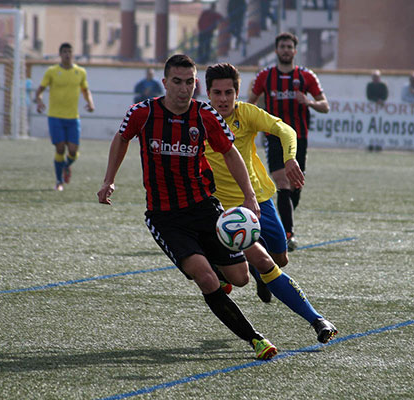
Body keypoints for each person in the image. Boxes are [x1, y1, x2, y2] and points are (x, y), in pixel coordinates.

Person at [98, 54, 278, 360]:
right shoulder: (144, 112)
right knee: (206, 279)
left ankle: (218, 270)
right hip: (166, 217)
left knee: (240, 278)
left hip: (205, 208)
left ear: (196, 84)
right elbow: (122, 137)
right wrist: (108, 180)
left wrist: (249, 195)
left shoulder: (205, 116)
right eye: (177, 82)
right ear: (165, 82)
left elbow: (231, 153)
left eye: (190, 82)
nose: (184, 89)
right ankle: (256, 339)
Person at [203, 62, 338, 343]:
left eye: (229, 92)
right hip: (221, 210)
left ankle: (256, 271)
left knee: (281, 257)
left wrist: (290, 157)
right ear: (208, 93)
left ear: (238, 93)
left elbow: (285, 129)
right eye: (217, 93)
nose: (223, 99)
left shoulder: (246, 114)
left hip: (258, 200)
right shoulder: (198, 120)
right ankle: (317, 320)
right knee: (262, 263)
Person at [248, 31, 330, 251]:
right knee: (282, 184)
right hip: (274, 138)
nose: (285, 50)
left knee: (294, 187)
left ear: (295, 51)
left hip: (298, 138)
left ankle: (283, 222)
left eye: (289, 47)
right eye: (282, 46)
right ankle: (287, 235)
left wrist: (309, 102)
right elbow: (250, 103)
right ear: (276, 50)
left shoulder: (307, 76)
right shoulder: (265, 76)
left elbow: (326, 106)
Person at [35, 42, 95, 191]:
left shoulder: (80, 72)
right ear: (60, 54)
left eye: (69, 52)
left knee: (73, 151)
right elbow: (40, 89)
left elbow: (85, 90)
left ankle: (65, 166)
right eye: (64, 52)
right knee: (60, 149)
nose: (67, 54)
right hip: (55, 117)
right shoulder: (52, 71)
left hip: (73, 118)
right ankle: (59, 181)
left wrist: (90, 103)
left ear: (72, 54)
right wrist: (39, 100)